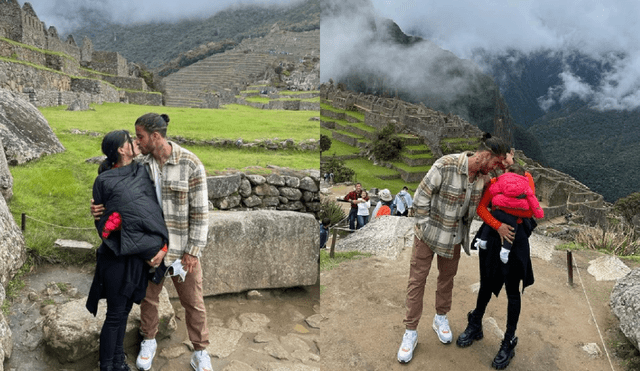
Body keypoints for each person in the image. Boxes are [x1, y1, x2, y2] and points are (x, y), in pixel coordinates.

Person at [92, 113, 211, 371]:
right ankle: (149, 340)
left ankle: (200, 351)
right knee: (148, 300)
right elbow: (113, 179)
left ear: (155, 136)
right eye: (134, 137)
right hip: (147, 247)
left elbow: (201, 213)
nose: (137, 141)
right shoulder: (142, 163)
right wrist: (100, 208)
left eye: (140, 136)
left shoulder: (190, 164)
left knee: (193, 302)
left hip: (181, 249)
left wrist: (192, 251)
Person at [397, 134, 511, 364]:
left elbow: (510, 185)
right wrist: (425, 228)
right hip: (428, 235)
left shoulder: (483, 178)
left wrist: (508, 163)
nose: (496, 169)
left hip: (454, 238)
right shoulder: (445, 166)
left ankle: (440, 317)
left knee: (446, 279)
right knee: (417, 280)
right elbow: (420, 199)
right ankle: (410, 330)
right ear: (486, 156)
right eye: (496, 164)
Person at [87, 130, 169, 371]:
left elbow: (146, 208)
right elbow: (102, 222)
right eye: (129, 141)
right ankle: (108, 365)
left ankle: (118, 361)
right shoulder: (104, 181)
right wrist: (107, 218)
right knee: (114, 314)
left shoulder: (141, 170)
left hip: (137, 256)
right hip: (116, 255)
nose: (134, 142)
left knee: (123, 312)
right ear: (121, 151)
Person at [456, 160, 541, 370]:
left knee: (513, 291)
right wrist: (498, 225)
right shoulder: (495, 182)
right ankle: (475, 323)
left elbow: (531, 210)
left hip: (516, 241)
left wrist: (509, 218)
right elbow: (482, 208)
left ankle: (509, 339)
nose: (505, 162)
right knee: (486, 283)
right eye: (502, 159)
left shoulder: (526, 180)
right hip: (494, 238)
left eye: (508, 158)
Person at [475, 164, 544, 262]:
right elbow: (481, 208)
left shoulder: (526, 178)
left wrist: (501, 208)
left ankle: (483, 240)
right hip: (501, 231)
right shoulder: (499, 181)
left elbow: (529, 212)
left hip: (516, 235)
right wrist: (498, 226)